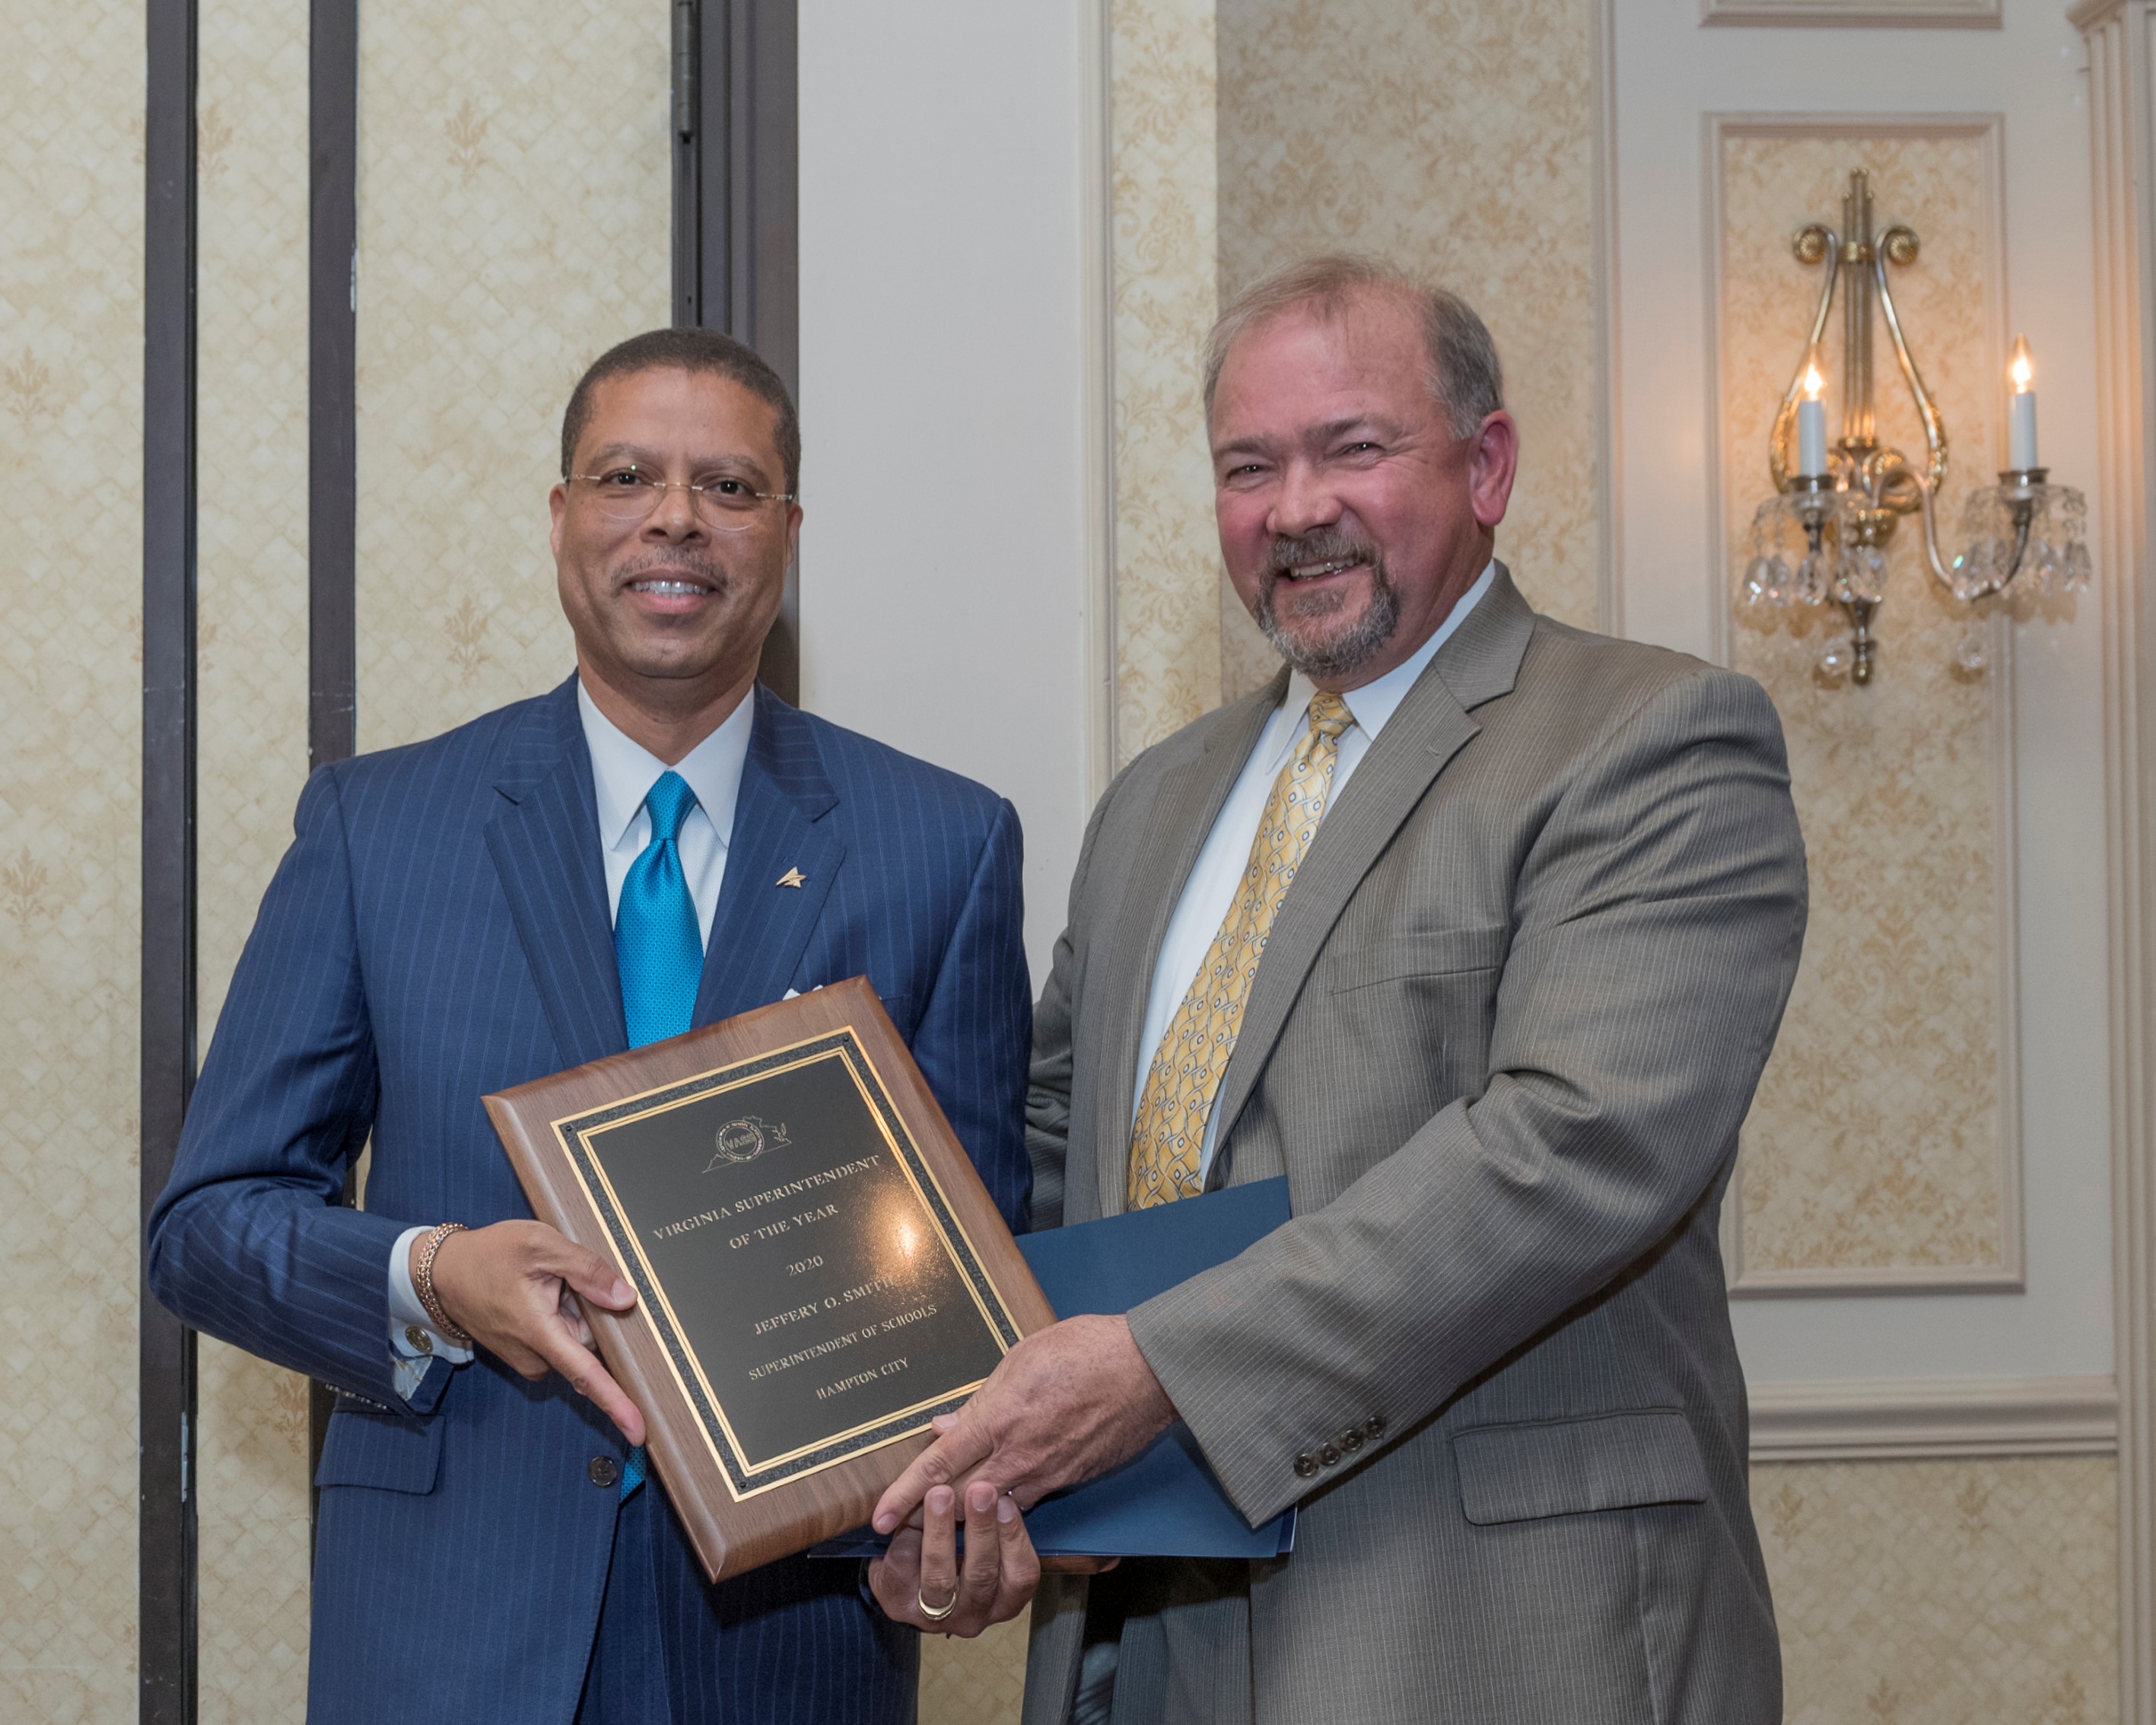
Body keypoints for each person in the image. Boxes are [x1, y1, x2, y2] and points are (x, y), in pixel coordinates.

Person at [871, 253, 1809, 1723]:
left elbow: (1571, 1151)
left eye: (1351, 448)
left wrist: (1161, 1373)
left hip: (1488, 1633)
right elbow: (1047, 1142)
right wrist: (914, 1440)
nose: (1295, 507)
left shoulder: (1648, 740)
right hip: (1147, 1627)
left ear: (1486, 464)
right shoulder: (1156, 800)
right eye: (1249, 466)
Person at [147, 327, 1035, 1724]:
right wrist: (433, 1277)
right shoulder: (379, 831)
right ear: (562, 518)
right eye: (627, 476)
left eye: (729, 488)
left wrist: (960, 1521)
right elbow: (206, 1226)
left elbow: (983, 1292)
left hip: (788, 1644)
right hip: (452, 1629)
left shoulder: (943, 844)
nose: (675, 517)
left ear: (788, 534)